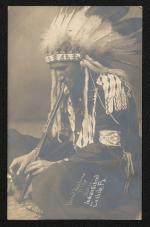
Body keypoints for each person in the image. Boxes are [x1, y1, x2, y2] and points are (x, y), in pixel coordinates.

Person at [9, 6, 141, 219]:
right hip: (78, 155)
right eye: (54, 70)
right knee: (10, 140)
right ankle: (35, 180)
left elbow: (109, 148)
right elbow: (62, 139)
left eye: (63, 68)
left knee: (53, 177)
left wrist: (56, 164)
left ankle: (39, 184)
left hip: (111, 166)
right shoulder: (68, 90)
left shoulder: (111, 86)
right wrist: (34, 153)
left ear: (84, 65)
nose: (58, 76)